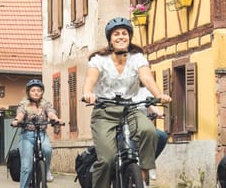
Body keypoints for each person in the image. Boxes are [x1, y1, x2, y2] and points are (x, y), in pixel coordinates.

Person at [82, 17, 173, 188]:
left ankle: (143, 172)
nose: (121, 37)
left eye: (125, 33)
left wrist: (158, 94)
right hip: (104, 111)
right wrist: (87, 93)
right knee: (107, 159)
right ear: (110, 39)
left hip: (129, 108)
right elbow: (91, 78)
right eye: (116, 34)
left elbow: (146, 77)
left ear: (129, 37)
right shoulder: (99, 60)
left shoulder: (136, 57)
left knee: (149, 131)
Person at [11, 79, 62, 187]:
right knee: (26, 167)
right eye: (33, 90)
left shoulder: (45, 103)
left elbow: (51, 112)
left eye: (39, 90)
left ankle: (46, 171)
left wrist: (56, 119)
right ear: (28, 92)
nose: (36, 92)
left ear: (42, 92)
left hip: (42, 134)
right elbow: (20, 113)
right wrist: (17, 120)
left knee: (47, 150)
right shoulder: (24, 103)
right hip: (27, 136)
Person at [131, 84, 168, 180]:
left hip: (141, 125)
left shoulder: (144, 91)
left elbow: (151, 103)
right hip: (124, 125)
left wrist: (158, 112)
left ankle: (149, 163)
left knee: (161, 136)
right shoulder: (121, 88)